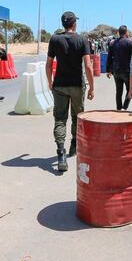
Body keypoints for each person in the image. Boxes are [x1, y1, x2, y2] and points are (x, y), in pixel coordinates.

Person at [46, 11, 94, 173]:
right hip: (77, 85)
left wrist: (50, 82)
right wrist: (92, 87)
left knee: (60, 119)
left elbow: (48, 64)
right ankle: (74, 144)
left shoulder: (54, 39)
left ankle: (61, 153)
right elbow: (88, 66)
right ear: (74, 23)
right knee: (77, 117)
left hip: (59, 84)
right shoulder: (82, 39)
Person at [106, 25, 132, 110]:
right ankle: (124, 108)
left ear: (118, 33)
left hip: (116, 71)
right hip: (127, 71)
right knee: (130, 90)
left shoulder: (113, 43)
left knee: (119, 91)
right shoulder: (130, 43)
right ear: (126, 32)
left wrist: (108, 70)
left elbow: (109, 57)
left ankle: (119, 109)